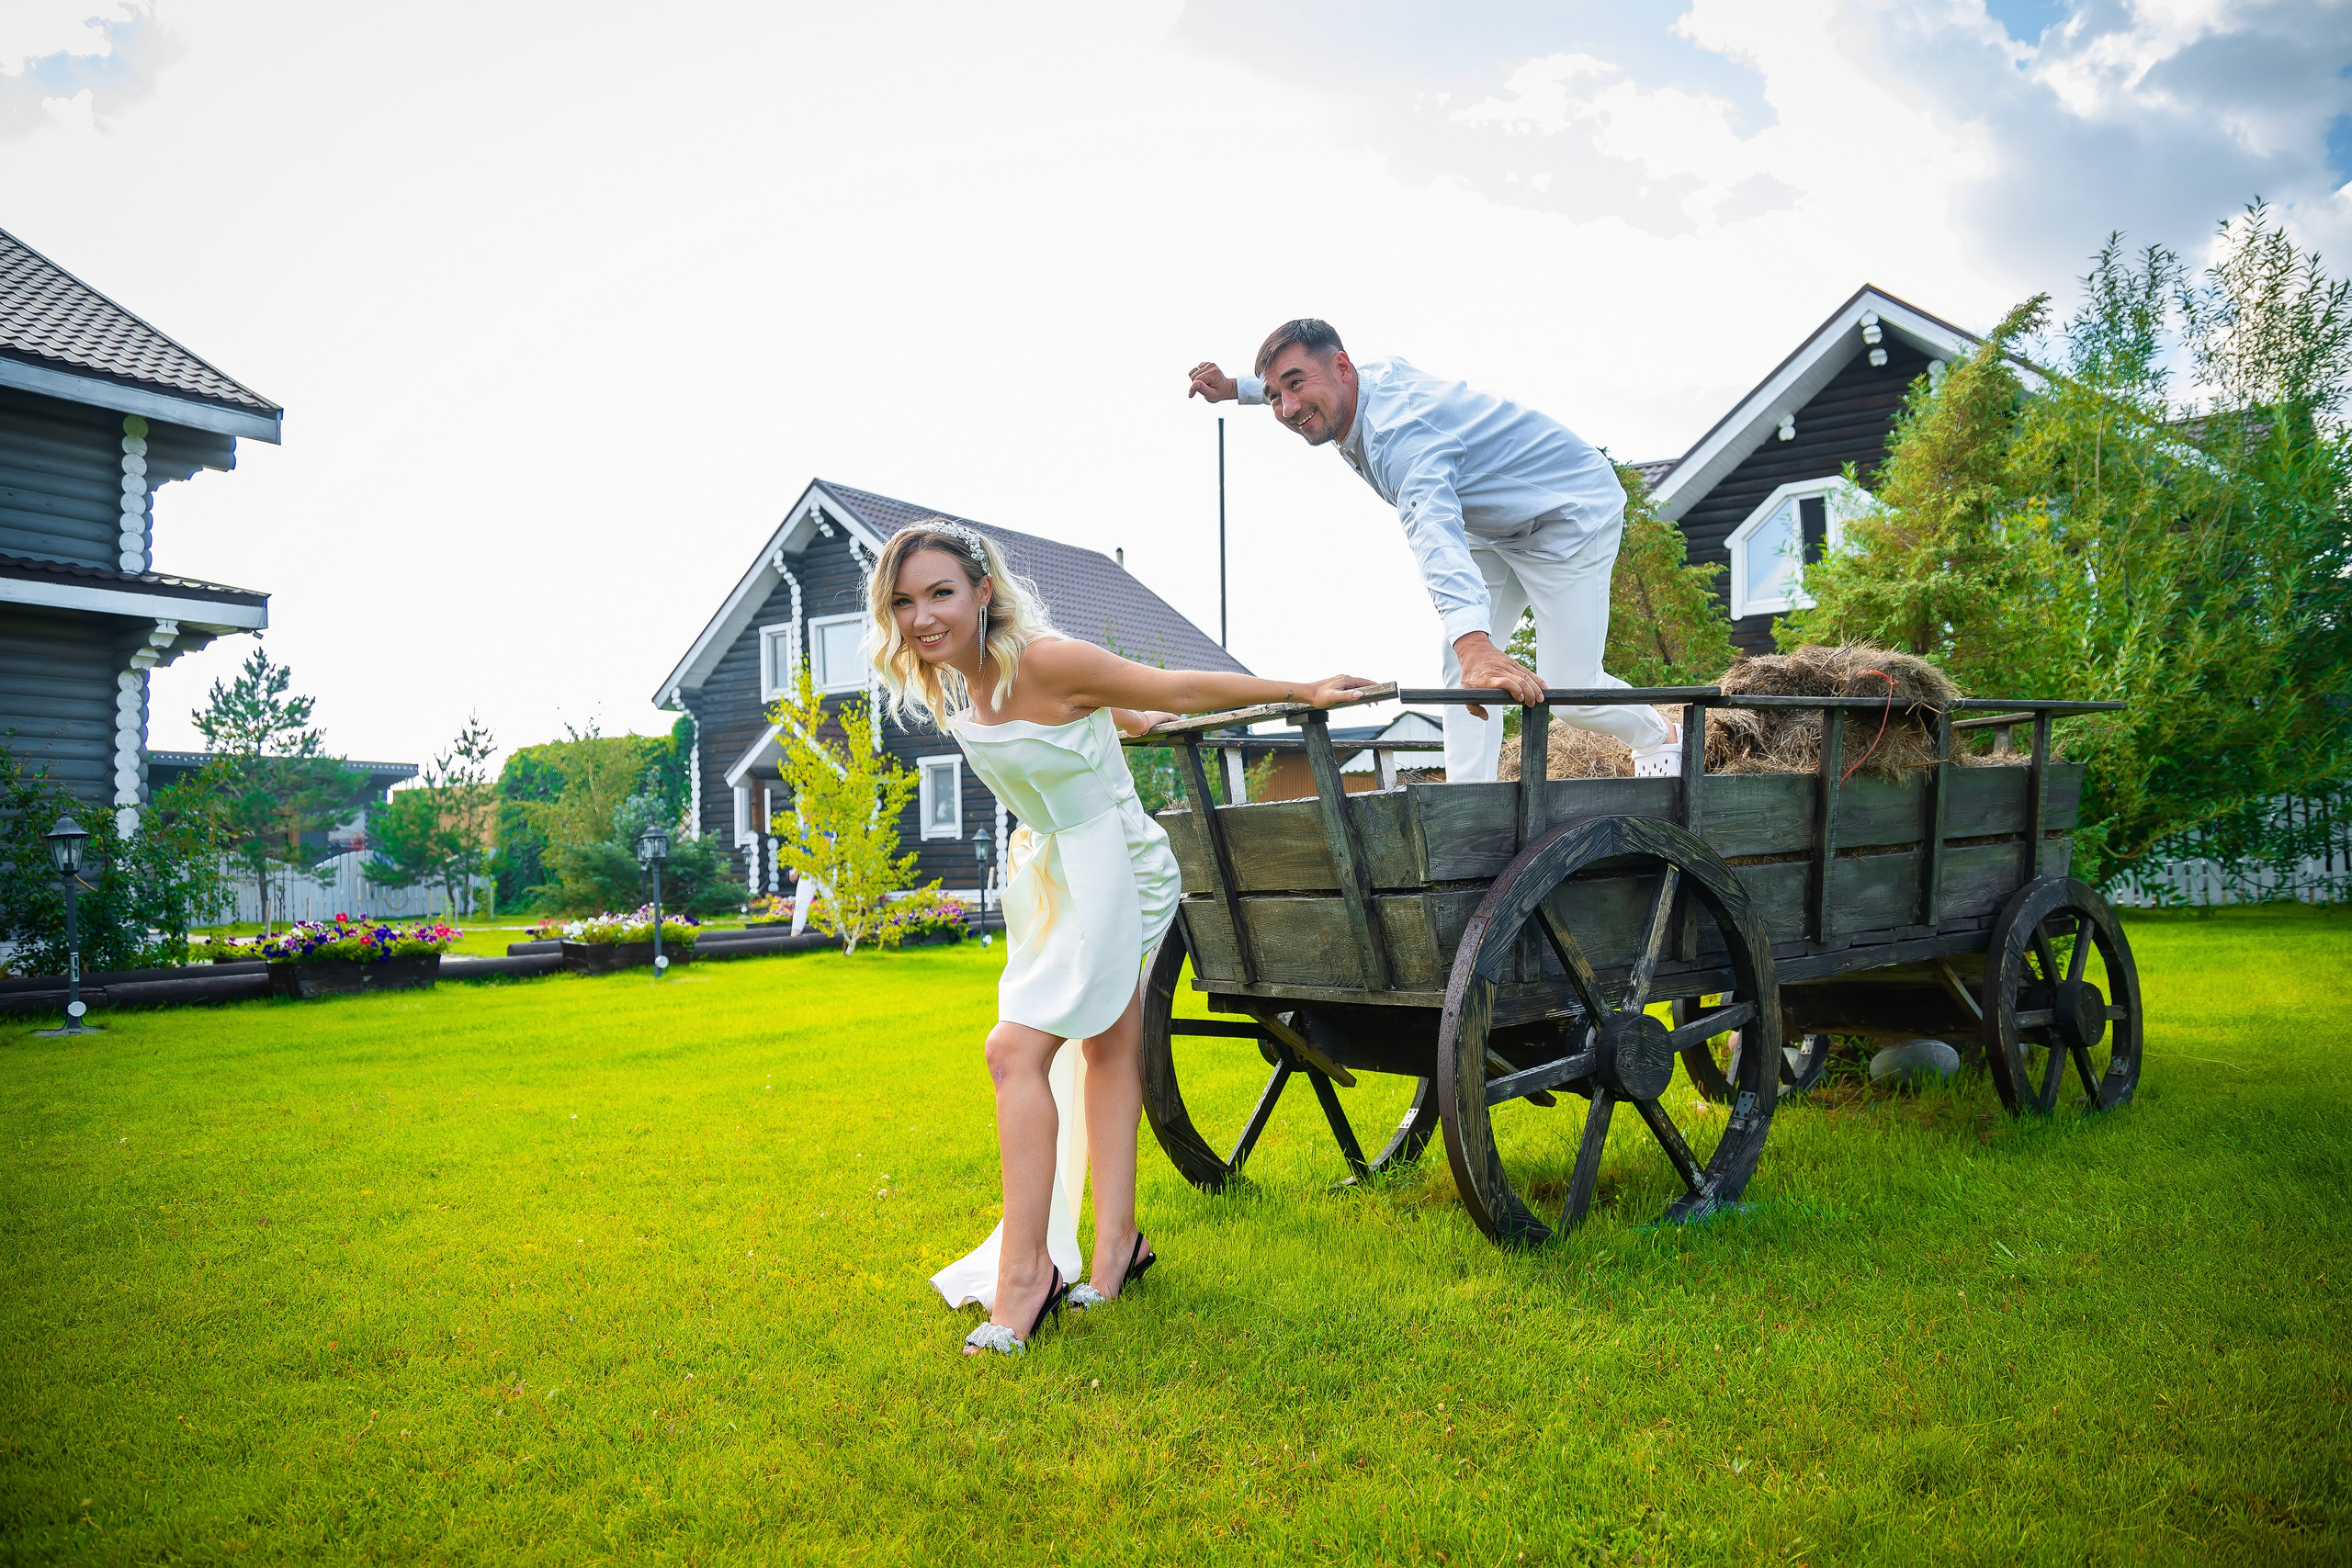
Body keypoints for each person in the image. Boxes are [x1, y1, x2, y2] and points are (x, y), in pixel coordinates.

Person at [865, 519, 1376, 1356]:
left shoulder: (1043, 659)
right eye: (905, 601)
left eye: (941, 593)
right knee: (1107, 1047)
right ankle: (1117, 1250)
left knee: (1013, 1051)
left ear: (983, 591)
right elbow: (1123, 717)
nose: (923, 616)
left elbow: (1169, 688)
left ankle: (1027, 1276)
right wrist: (1123, 723)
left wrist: (1301, 688)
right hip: (1058, 874)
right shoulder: (962, 684)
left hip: (1115, 869)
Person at [1188, 320, 1680, 782]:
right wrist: (1236, 389)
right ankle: (1472, 800)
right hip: (1492, 520)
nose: (1288, 409)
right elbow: (1295, 382)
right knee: (1458, 666)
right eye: (1276, 396)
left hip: (1566, 513)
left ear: (1342, 369)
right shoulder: (1355, 384)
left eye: (1295, 386)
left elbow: (1435, 537)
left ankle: (1662, 737)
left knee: (1570, 691)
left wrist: (1479, 645)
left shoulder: (1402, 436)